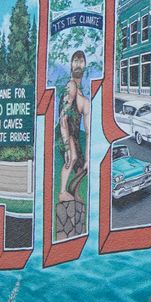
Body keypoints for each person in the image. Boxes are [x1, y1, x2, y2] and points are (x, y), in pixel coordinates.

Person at [58, 49, 90, 202]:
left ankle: (74, 192)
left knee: (82, 166)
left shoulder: (85, 100)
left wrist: (89, 157)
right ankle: (62, 192)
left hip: (75, 136)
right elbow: (63, 119)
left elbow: (88, 133)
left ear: (85, 66)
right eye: (75, 61)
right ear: (71, 65)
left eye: (81, 61)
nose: (78, 64)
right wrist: (66, 147)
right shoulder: (70, 86)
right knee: (72, 157)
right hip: (65, 133)